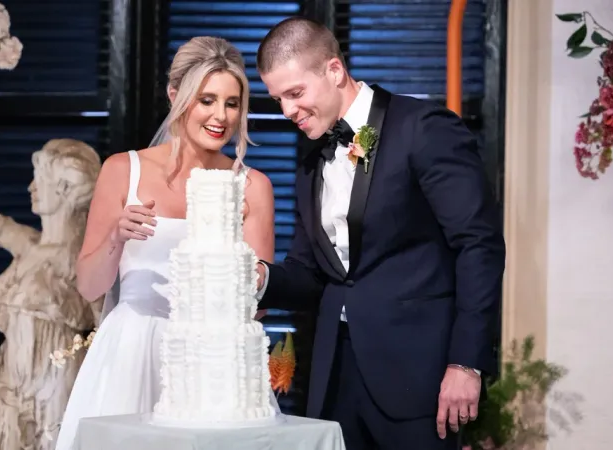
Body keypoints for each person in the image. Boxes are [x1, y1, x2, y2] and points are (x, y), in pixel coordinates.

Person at [254, 17, 506, 449]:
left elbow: (478, 245)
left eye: (294, 94)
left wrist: (466, 363)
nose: (286, 111)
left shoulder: (424, 128)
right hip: (335, 375)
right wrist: (259, 277)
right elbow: (311, 273)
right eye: (278, 99)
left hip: (419, 375)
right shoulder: (311, 163)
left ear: (334, 70)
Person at [54, 36, 277, 449]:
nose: (221, 116)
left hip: (210, 365)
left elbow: (255, 304)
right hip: (130, 354)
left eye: (232, 103)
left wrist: (242, 266)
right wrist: (116, 237)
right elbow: (88, 287)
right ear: (176, 95)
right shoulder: (123, 170)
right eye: (206, 100)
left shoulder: (252, 188)